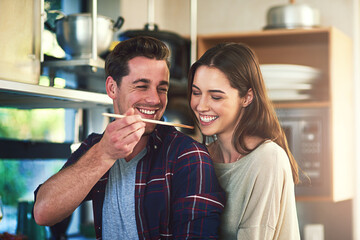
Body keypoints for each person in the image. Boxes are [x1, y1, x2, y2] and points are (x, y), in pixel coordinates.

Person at [33, 36, 225, 239]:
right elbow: (43, 212)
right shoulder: (96, 146)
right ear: (112, 88)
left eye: (162, 89)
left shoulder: (188, 155)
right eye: (142, 86)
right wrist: (104, 154)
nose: (154, 99)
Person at [188, 42, 301, 240]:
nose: (201, 105)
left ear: (247, 97)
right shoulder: (200, 157)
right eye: (196, 93)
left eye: (215, 96)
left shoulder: (268, 158)